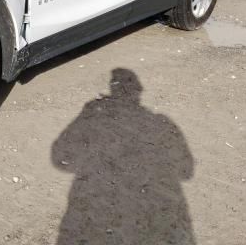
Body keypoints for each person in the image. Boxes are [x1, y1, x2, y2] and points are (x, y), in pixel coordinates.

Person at [52, 68, 195, 244]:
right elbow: (186, 172)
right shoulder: (159, 122)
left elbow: (59, 157)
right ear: (139, 91)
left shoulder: (94, 110)